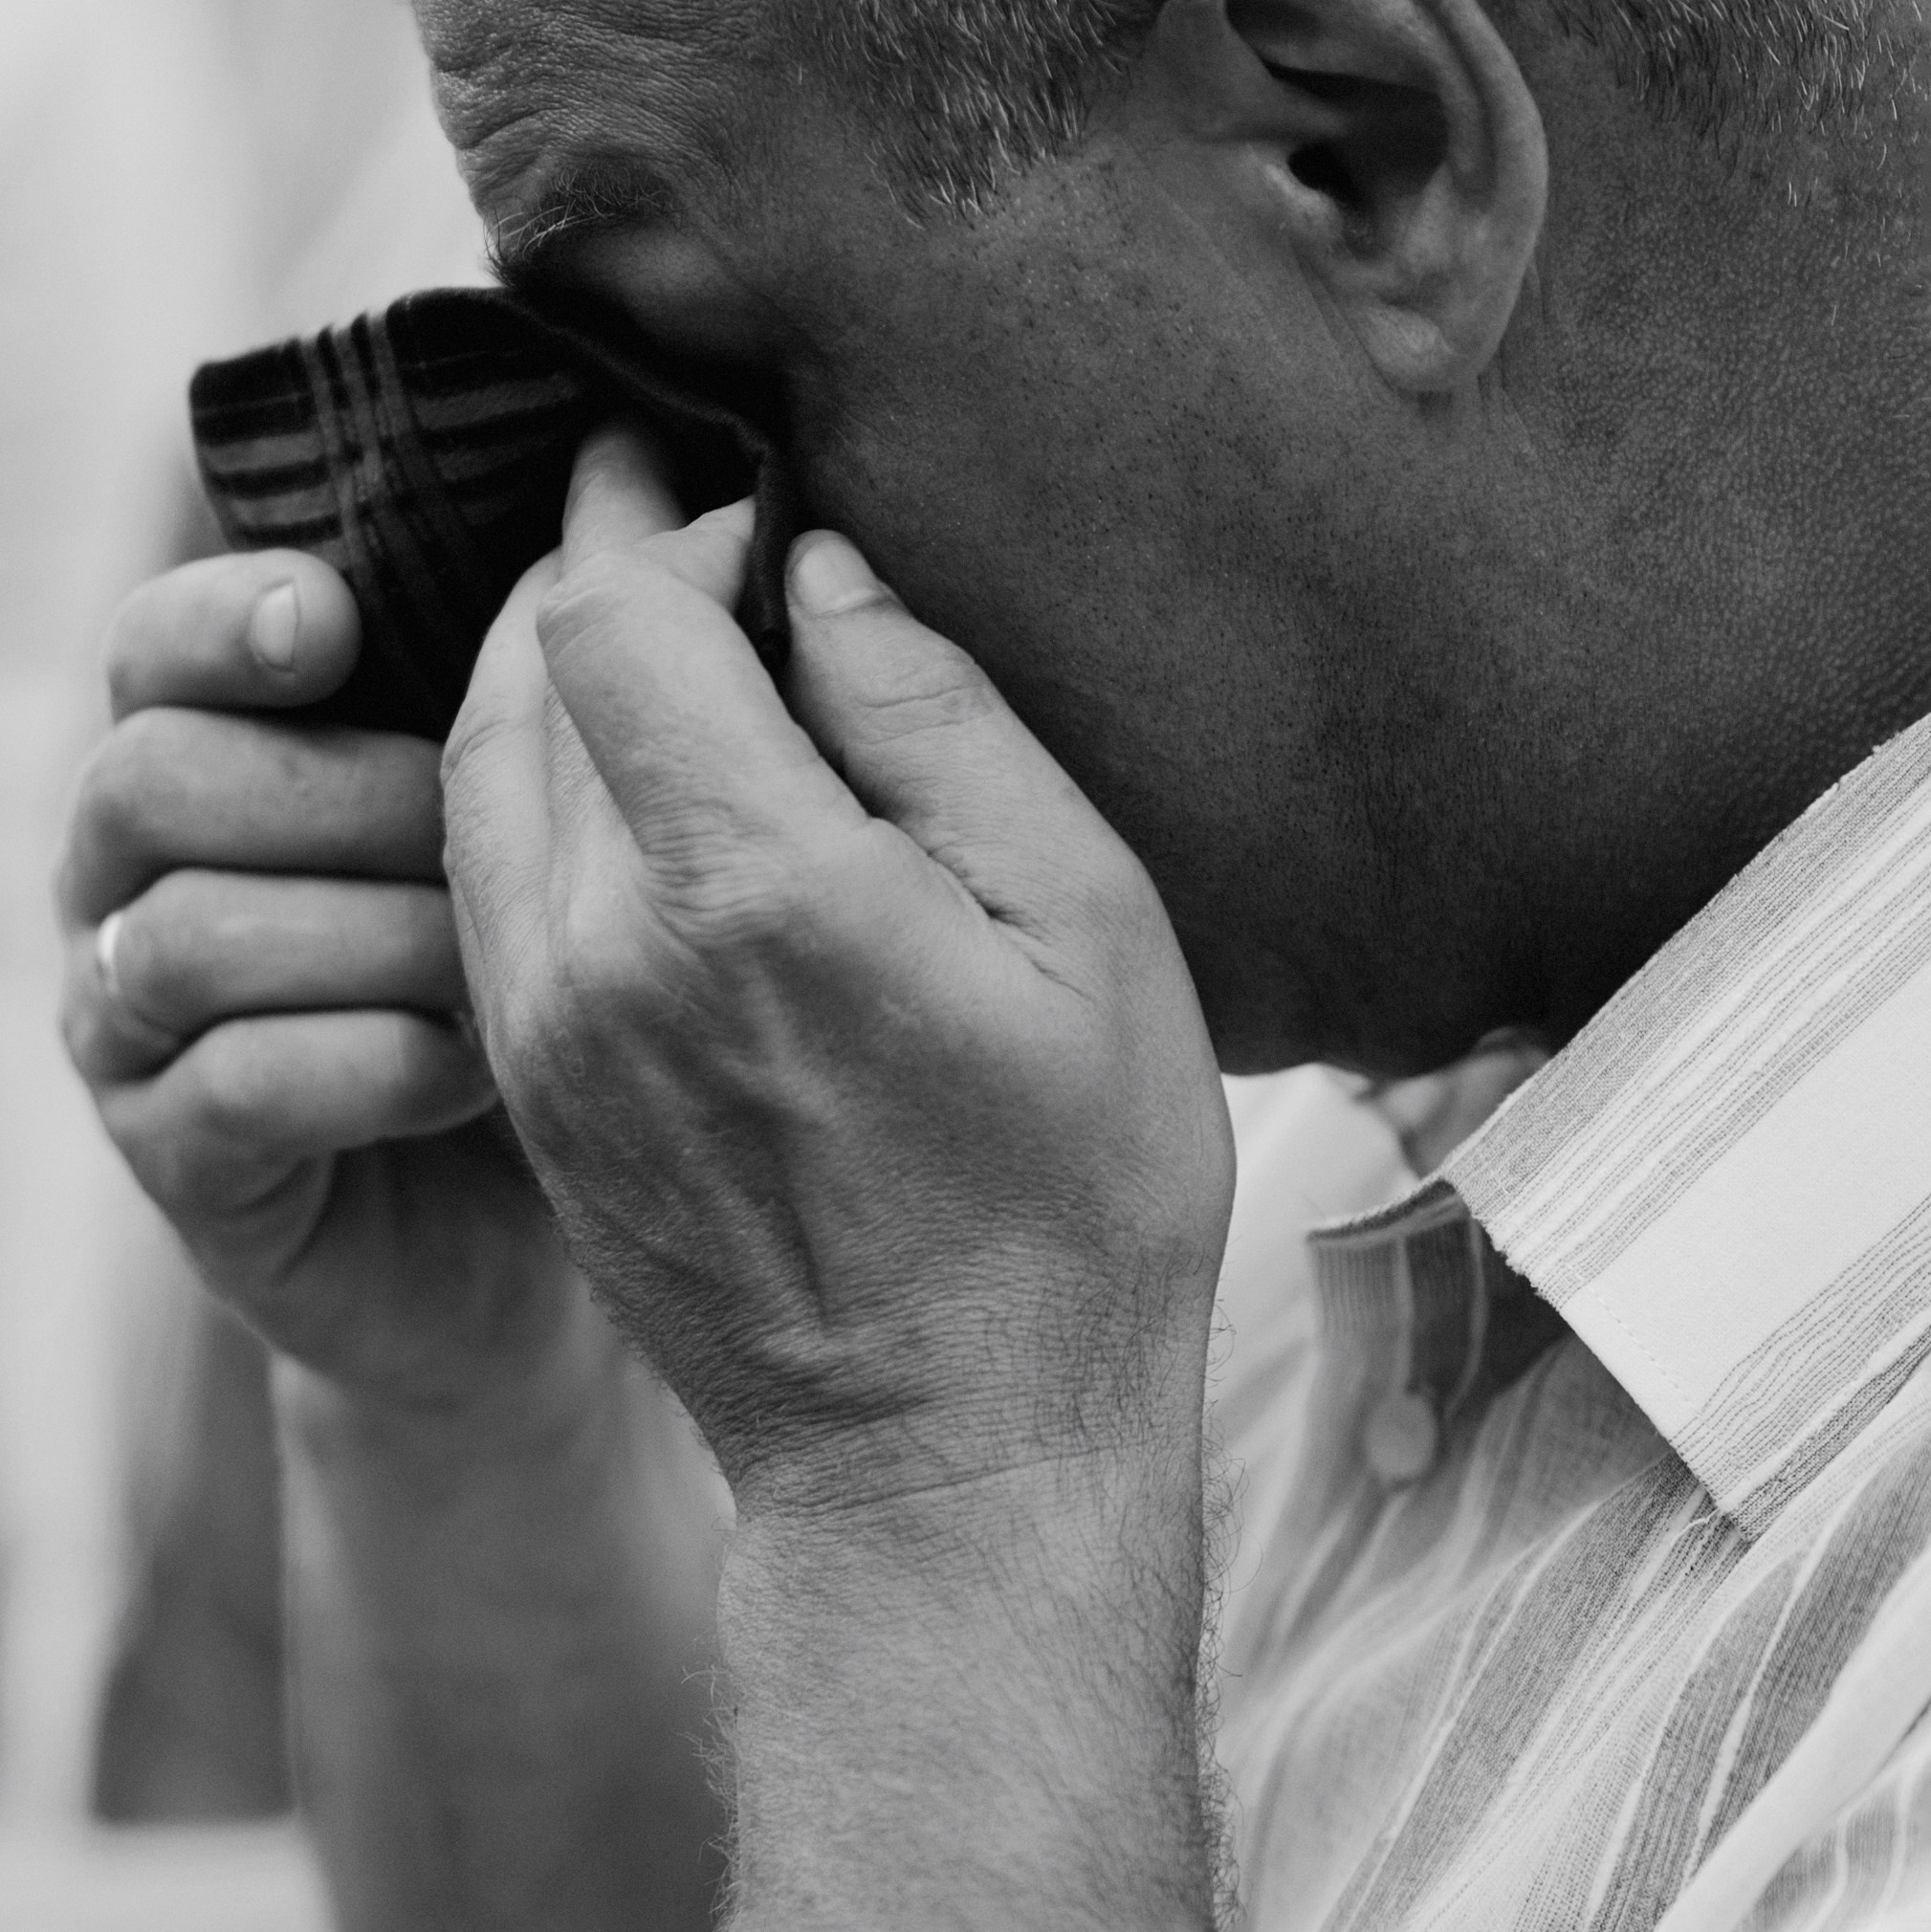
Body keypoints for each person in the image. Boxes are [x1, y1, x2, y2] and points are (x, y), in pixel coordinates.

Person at [54, 0, 1931, 1925]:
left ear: (1365, 163)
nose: (633, 595)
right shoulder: (1345, 1092)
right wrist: (482, 1392)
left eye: (715, 389)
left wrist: (937, 1476)